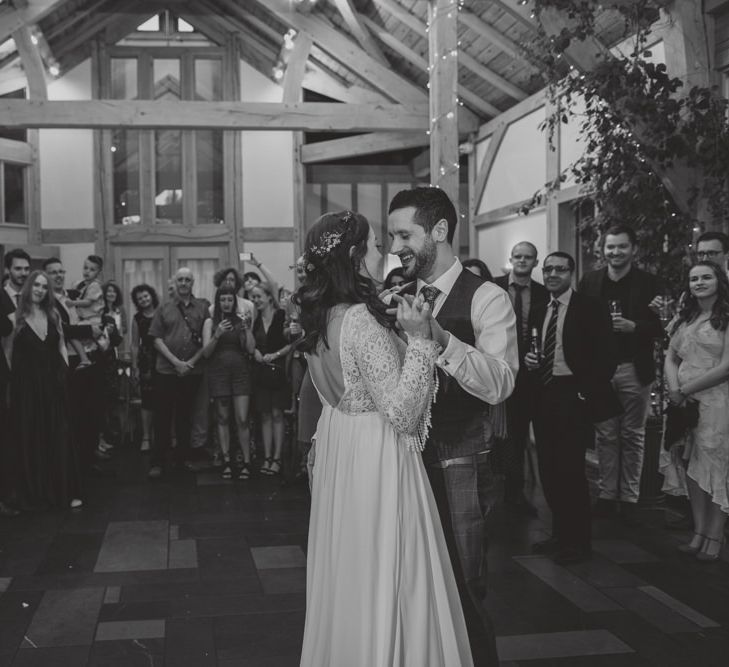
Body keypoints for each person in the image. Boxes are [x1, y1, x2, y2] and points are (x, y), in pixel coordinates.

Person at [298, 210, 473, 667]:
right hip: (376, 455)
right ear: (355, 256)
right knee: (391, 568)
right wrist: (419, 341)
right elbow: (401, 412)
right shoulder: (359, 320)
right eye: (376, 245)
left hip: (342, 447)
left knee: (354, 568)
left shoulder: (321, 316)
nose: (385, 253)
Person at [388, 186, 518, 667]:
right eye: (393, 234)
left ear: (439, 231)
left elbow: (501, 382)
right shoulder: (398, 296)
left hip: (461, 455)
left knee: (464, 579)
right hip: (403, 457)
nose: (396, 245)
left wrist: (439, 338)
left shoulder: (487, 297)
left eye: (405, 234)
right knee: (413, 577)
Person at [525, 252, 622, 564]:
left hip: (574, 394)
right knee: (549, 470)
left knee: (571, 471)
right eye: (548, 269)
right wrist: (530, 361)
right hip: (544, 393)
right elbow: (534, 346)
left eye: (560, 269)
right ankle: (559, 534)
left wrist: (584, 391)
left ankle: (579, 542)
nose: (553, 274)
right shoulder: (540, 307)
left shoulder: (590, 307)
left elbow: (607, 356)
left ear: (571, 272)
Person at [578, 224, 662, 521]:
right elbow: (580, 322)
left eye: (622, 246)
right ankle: (606, 494)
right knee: (605, 435)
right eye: (610, 247)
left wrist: (634, 326)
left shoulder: (650, 283)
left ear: (633, 249)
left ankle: (629, 497)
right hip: (600, 370)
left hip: (633, 367)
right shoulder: (589, 280)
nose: (615, 252)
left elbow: (662, 326)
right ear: (603, 250)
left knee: (633, 434)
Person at [663, 262, 729, 561]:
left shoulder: (725, 316)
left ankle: (715, 537)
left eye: (706, 277)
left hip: (716, 400)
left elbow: (726, 367)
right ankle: (698, 532)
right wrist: (675, 389)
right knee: (690, 466)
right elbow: (671, 356)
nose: (699, 282)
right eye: (694, 278)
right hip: (684, 402)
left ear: (719, 280)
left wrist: (685, 391)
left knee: (715, 465)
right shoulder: (686, 316)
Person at [8, 270, 82, 509]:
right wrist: (17, 385)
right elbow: (8, 355)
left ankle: (62, 491)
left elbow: (61, 345)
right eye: (36, 285)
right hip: (27, 388)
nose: (40, 290)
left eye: (43, 286)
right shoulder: (15, 319)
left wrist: (63, 373)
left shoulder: (53, 315)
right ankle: (37, 494)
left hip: (52, 384)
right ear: (29, 287)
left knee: (58, 434)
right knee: (32, 436)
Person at [493, 242, 548, 517]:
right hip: (496, 368)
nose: (523, 261)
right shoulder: (493, 287)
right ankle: (496, 492)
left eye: (528, 257)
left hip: (528, 375)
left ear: (535, 262)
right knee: (500, 436)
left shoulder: (543, 293)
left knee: (519, 434)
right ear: (511, 259)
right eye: (518, 256)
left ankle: (516, 495)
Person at [43, 257, 109, 480]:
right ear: (44, 276)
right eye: (53, 273)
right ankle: (77, 466)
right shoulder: (47, 301)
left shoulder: (69, 296)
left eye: (62, 272)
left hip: (88, 355)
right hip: (69, 361)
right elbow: (63, 329)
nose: (59, 276)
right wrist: (89, 331)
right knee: (76, 414)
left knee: (91, 412)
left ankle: (88, 460)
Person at [148, 267, 209, 479]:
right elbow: (156, 339)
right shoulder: (164, 308)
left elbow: (208, 340)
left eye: (187, 280)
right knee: (162, 418)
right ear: (175, 282)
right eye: (180, 279)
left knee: (185, 417)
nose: (184, 283)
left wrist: (190, 363)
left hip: (192, 371)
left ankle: (182, 460)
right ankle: (157, 462)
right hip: (166, 370)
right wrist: (176, 362)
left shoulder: (203, 307)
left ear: (193, 283)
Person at [202, 285, 256, 480]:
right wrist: (217, 334)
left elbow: (250, 349)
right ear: (218, 302)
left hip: (240, 372)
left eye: (230, 300)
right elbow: (206, 353)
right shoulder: (210, 322)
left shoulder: (240, 321)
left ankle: (246, 462)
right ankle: (226, 461)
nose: (226, 303)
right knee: (223, 418)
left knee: (242, 418)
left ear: (234, 302)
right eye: (223, 299)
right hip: (218, 373)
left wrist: (247, 330)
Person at [250, 281, 290, 476]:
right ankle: (266, 457)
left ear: (268, 297)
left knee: (277, 414)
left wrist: (275, 355)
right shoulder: (255, 320)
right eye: (253, 297)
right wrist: (255, 351)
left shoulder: (281, 316)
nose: (255, 300)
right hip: (261, 372)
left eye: (258, 296)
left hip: (278, 369)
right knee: (264, 415)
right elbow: (250, 343)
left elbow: (292, 343)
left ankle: (277, 457)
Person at [130, 284, 160, 452]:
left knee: (166, 399)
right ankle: (146, 437)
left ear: (152, 296)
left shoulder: (162, 312)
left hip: (164, 359)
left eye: (146, 296)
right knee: (147, 401)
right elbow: (134, 344)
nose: (144, 300)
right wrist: (134, 367)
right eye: (140, 298)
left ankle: (170, 437)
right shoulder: (137, 318)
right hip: (146, 361)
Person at [67, 255, 105, 325]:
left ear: (98, 273)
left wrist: (73, 303)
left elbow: (88, 302)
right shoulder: (80, 284)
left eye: (92, 270)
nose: (87, 271)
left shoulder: (95, 285)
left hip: (93, 319)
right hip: (82, 318)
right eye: (85, 268)